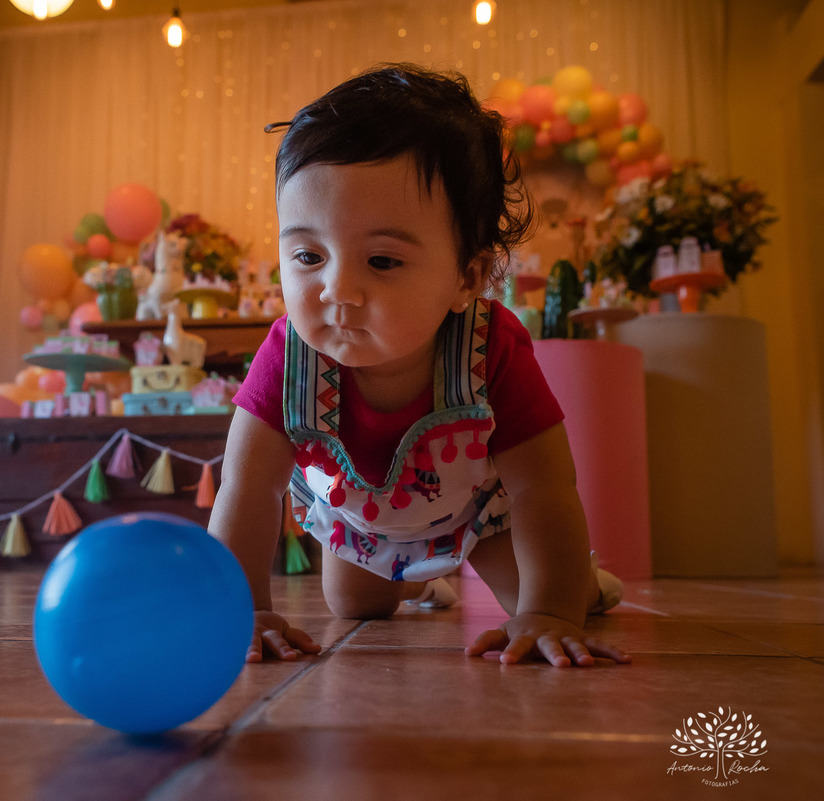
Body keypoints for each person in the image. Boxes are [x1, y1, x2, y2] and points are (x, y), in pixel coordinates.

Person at [209, 63, 629, 668]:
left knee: (535, 599)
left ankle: (585, 587)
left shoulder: (490, 350)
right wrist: (240, 608)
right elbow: (248, 489)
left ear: (468, 277)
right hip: (364, 525)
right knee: (355, 605)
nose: (338, 289)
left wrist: (554, 611)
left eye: (382, 261)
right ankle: (422, 582)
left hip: (478, 520)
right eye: (308, 254)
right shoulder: (288, 358)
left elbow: (545, 488)